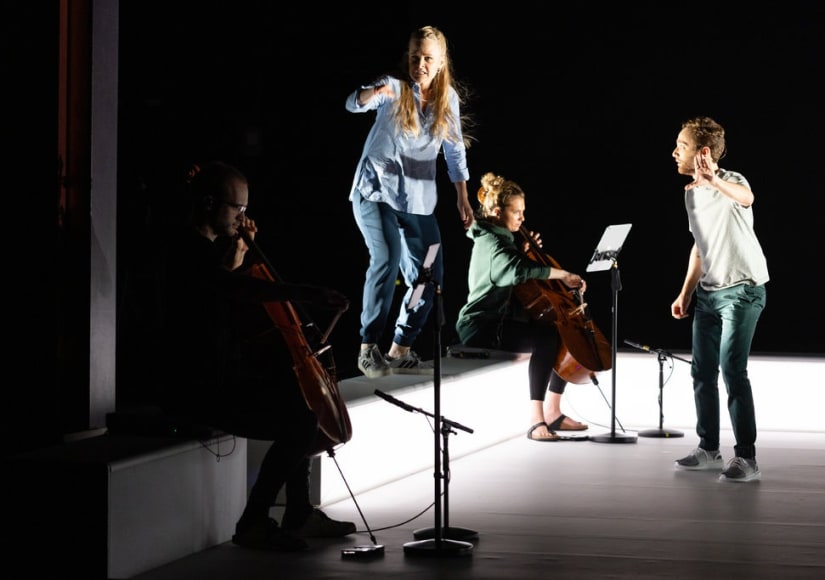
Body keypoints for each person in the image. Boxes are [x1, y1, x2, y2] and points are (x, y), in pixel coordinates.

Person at [157, 161, 357, 551]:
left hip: (218, 376)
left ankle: (298, 514)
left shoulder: (207, 249)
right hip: (196, 387)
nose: (244, 218)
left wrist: (241, 246)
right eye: (238, 209)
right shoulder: (185, 250)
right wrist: (304, 292)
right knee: (299, 422)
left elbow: (227, 277)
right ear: (210, 203)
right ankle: (254, 521)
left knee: (299, 409)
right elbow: (233, 288)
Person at [345, 25, 474, 379]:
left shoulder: (448, 100)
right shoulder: (395, 86)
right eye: (415, 57)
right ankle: (368, 347)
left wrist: (462, 195)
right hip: (375, 192)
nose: (420, 64)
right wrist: (372, 93)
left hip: (418, 203)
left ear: (441, 62)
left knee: (428, 277)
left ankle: (400, 346)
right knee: (385, 256)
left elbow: (455, 150)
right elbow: (353, 103)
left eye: (427, 58)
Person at [455, 172, 592, 442]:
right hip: (480, 327)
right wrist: (563, 274)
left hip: (497, 322)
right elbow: (519, 269)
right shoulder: (494, 244)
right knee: (547, 338)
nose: (522, 218)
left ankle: (553, 412)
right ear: (497, 211)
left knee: (557, 328)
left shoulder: (499, 240)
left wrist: (525, 250)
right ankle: (537, 419)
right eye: (516, 212)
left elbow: (516, 265)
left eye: (523, 211)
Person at [670, 116, 769, 483]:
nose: (674, 151)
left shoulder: (732, 181)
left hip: (743, 290)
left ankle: (747, 457)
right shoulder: (690, 193)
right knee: (701, 371)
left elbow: (747, 198)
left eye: (681, 145)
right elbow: (700, 247)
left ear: (703, 152)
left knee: (732, 369)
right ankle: (709, 448)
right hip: (709, 295)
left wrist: (715, 180)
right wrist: (685, 293)